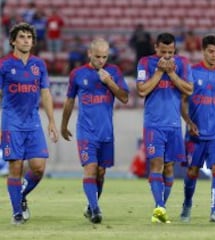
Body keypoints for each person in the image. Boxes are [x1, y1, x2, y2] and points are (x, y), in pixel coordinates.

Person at [61, 38, 129, 224]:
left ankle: (91, 206)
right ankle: (96, 211)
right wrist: (63, 125)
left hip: (106, 132)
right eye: (97, 56)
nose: (101, 60)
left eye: (104, 57)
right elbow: (69, 101)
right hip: (86, 132)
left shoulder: (113, 72)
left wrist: (110, 82)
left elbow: (124, 98)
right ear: (90, 54)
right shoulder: (77, 74)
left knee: (101, 173)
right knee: (90, 170)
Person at [0, 22, 58, 224]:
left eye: (29, 37)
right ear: (13, 41)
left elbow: (45, 93)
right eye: (22, 37)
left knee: (39, 168)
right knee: (15, 166)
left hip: (33, 122)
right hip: (11, 123)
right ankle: (17, 213)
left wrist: (51, 121)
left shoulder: (39, 65)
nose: (26, 40)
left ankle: (20, 196)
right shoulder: (4, 65)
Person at [136, 32, 193, 223]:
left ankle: (160, 209)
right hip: (154, 124)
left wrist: (171, 73)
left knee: (169, 168)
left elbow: (189, 89)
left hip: (174, 125)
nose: (167, 56)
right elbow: (142, 89)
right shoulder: (145, 63)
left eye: (170, 52)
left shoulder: (182, 63)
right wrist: (160, 72)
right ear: (156, 48)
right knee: (156, 164)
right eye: (163, 51)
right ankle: (159, 206)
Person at [179, 34, 215, 223]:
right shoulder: (191, 73)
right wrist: (189, 122)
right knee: (192, 171)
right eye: (210, 51)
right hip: (196, 133)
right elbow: (182, 103)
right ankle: (187, 204)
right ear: (203, 51)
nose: (214, 55)